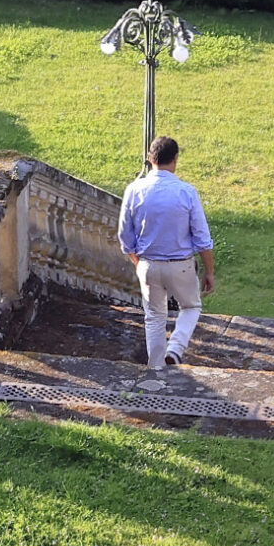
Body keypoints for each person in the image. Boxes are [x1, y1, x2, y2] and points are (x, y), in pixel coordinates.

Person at [117, 135, 215, 371]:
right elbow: (202, 238)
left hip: (147, 264)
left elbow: (125, 236)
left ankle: (155, 369)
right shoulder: (186, 192)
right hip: (180, 264)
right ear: (175, 159)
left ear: (150, 158)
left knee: (154, 317)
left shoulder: (134, 190)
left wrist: (138, 262)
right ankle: (175, 349)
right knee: (190, 307)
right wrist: (209, 272)